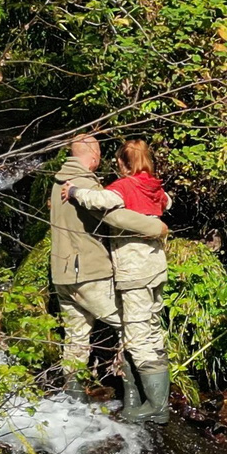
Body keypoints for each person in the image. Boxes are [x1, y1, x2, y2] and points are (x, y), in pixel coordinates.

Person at [65, 139, 171, 423]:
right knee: (150, 328)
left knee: (137, 337)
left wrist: (75, 191)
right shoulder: (154, 186)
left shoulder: (125, 186)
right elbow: (167, 202)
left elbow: (101, 200)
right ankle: (153, 402)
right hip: (156, 266)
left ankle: (157, 407)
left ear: (124, 164)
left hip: (135, 269)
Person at [45, 134, 120, 401]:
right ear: (94, 157)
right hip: (88, 271)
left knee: (76, 335)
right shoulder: (86, 186)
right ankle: (135, 390)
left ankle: (74, 397)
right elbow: (116, 217)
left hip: (61, 272)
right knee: (127, 323)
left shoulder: (56, 183)